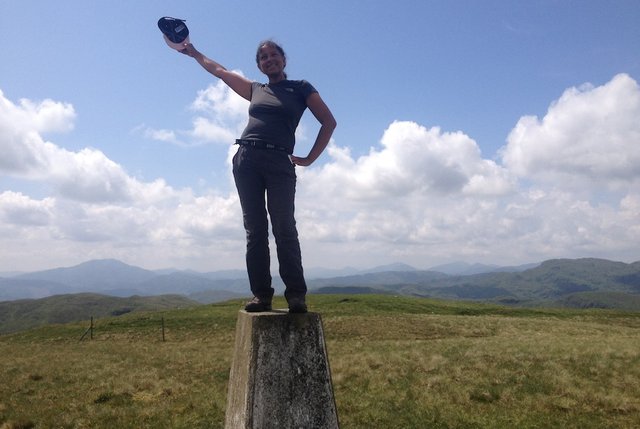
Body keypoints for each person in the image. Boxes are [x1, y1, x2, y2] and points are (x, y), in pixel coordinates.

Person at [180, 40, 336, 313]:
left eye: (273, 54)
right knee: (255, 231)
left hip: (280, 161)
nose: (269, 59)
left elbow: (329, 121)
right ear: (259, 65)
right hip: (247, 159)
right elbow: (218, 70)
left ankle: (296, 296)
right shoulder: (256, 89)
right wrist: (193, 53)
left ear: (284, 60)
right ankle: (261, 296)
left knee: (284, 228)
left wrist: (310, 158)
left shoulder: (301, 88)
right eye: (263, 57)